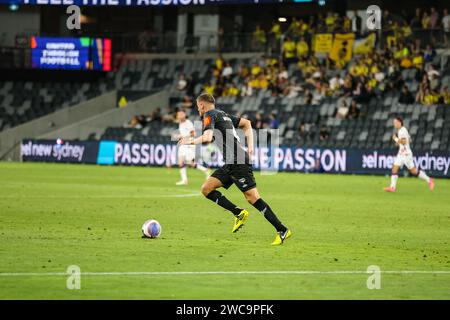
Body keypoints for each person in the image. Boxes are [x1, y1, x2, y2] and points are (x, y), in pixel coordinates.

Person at [178, 93, 291, 245]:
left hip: (238, 162)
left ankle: (282, 229)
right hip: (231, 162)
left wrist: (189, 141)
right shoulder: (223, 114)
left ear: (202, 105)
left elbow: (207, 137)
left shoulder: (209, 115)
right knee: (206, 188)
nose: (198, 109)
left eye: (198, 106)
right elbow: (247, 123)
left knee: (252, 198)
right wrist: (250, 147)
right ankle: (238, 213)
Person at [384, 117, 434, 193]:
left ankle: (429, 179)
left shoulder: (402, 131)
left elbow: (404, 142)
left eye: (395, 122)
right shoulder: (401, 130)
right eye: (394, 123)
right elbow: (409, 140)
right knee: (394, 168)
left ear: (400, 122)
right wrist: (400, 143)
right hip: (401, 153)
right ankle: (392, 187)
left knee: (413, 171)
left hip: (406, 154)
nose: (394, 124)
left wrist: (396, 139)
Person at [174, 110, 210, 186]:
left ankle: (206, 170)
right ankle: (184, 180)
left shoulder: (188, 123)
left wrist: (183, 137)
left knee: (190, 163)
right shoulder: (181, 123)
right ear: (177, 116)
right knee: (181, 162)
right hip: (183, 145)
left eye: (182, 113)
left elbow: (194, 133)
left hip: (189, 145)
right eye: (179, 114)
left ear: (184, 115)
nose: (180, 115)